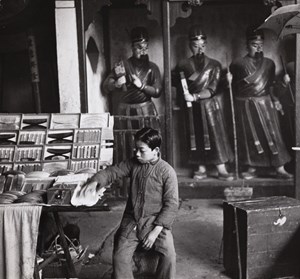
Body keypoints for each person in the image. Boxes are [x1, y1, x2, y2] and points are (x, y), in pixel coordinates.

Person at [84, 127, 178, 279]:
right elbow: (112, 172)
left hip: (156, 223)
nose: (137, 154)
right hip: (132, 221)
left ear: (155, 150)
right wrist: (95, 182)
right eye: (136, 149)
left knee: (169, 256)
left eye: (142, 150)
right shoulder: (133, 163)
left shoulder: (167, 172)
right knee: (119, 258)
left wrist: (154, 234)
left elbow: (171, 205)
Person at [229, 27, 292, 180]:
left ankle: (279, 167)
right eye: (253, 44)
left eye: (260, 44)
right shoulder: (237, 64)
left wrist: (283, 84)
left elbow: (271, 87)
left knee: (273, 135)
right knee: (250, 136)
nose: (258, 47)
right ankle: (252, 167)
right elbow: (233, 89)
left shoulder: (269, 64)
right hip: (246, 106)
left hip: (265, 104)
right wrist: (228, 83)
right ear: (246, 45)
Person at [175, 25, 234, 181]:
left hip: (209, 107)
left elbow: (213, 88)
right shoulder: (183, 65)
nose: (199, 49)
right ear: (190, 46)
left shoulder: (214, 65)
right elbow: (178, 87)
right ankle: (200, 167)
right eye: (195, 46)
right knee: (196, 137)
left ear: (206, 45)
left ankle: (221, 168)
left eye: (202, 45)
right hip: (191, 108)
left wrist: (227, 82)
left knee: (215, 136)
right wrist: (184, 98)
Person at [102, 26, 163, 149]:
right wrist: (116, 84)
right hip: (125, 111)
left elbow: (157, 91)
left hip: (145, 109)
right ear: (132, 47)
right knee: (126, 143)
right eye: (139, 48)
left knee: (148, 141)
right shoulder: (122, 65)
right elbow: (106, 86)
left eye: (146, 47)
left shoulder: (152, 67)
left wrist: (142, 86)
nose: (143, 51)